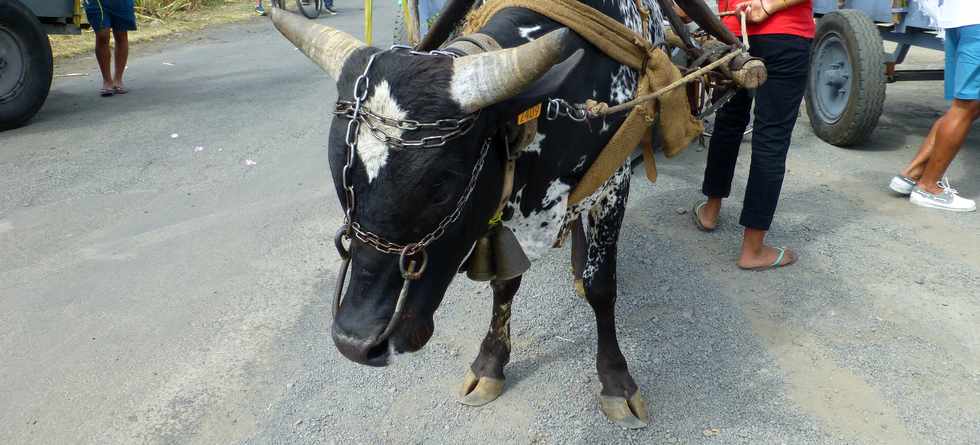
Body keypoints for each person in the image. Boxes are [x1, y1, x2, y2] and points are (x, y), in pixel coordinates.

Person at [693, 0, 813, 270]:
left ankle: (710, 212)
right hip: (785, 33)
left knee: (727, 122)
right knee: (771, 138)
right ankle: (753, 250)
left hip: (733, 32)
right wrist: (769, 5)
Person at [889, 0, 978, 212]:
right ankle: (929, 187)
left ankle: (912, 174)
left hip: (960, 19)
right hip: (974, 22)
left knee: (968, 106)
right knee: (965, 108)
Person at [84, 0, 136, 96]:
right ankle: (107, 81)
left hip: (121, 3)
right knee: (102, 35)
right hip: (97, 2)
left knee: (121, 34)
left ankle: (118, 79)